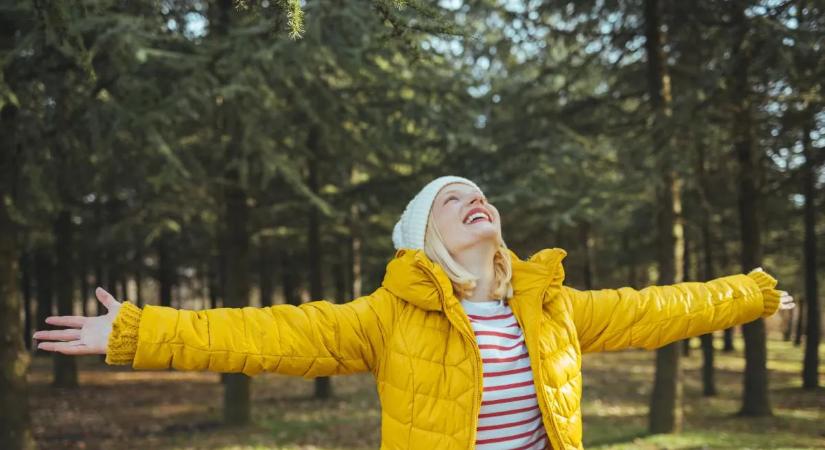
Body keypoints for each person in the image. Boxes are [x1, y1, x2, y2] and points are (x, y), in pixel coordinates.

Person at [33, 175, 794, 450]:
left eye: (477, 193)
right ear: (424, 242)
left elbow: (659, 307)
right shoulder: (384, 317)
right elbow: (261, 333)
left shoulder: (550, 308)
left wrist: (753, 293)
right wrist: (133, 330)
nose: (473, 199)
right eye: (450, 199)